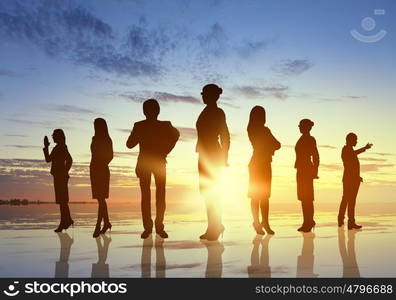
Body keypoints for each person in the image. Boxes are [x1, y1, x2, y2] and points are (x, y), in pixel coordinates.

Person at [126, 99, 180, 239]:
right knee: (154, 196)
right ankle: (153, 227)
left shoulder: (144, 126)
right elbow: (130, 145)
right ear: (158, 111)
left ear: (144, 111)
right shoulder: (150, 126)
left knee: (152, 196)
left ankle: (154, 227)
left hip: (154, 163)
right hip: (151, 163)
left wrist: (165, 151)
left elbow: (129, 144)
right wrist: (165, 150)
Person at [196, 84, 230, 241]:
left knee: (213, 193)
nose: (202, 96)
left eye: (204, 94)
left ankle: (215, 227)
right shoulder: (206, 111)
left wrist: (224, 157)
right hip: (204, 155)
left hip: (213, 155)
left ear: (211, 96)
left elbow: (225, 135)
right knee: (207, 193)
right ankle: (213, 226)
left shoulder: (217, 112)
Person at [247, 106, 281, 235]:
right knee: (259, 195)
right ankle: (260, 223)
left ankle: (262, 223)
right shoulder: (263, 130)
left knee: (261, 196)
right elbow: (276, 144)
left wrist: (269, 146)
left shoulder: (252, 129)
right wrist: (270, 146)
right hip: (260, 164)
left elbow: (277, 144)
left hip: (260, 163)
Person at [338, 133, 372, 230]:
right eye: (355, 140)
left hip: (353, 179)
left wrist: (357, 177)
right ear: (350, 140)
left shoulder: (349, 150)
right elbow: (350, 166)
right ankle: (343, 220)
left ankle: (349, 222)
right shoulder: (346, 150)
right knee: (347, 200)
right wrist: (364, 148)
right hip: (350, 180)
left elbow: (352, 161)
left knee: (350, 201)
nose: (356, 141)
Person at [43, 129, 73, 232]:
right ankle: (67, 220)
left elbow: (70, 160)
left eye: (54, 135)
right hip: (57, 176)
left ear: (59, 136)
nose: (52, 136)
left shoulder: (62, 147)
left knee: (62, 201)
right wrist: (46, 147)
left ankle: (65, 222)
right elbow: (48, 159)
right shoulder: (56, 148)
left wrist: (65, 171)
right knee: (62, 201)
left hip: (61, 177)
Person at [90, 118, 114, 238]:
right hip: (94, 170)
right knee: (100, 198)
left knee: (101, 198)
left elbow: (110, 156)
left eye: (96, 125)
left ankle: (99, 224)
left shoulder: (107, 140)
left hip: (102, 170)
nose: (94, 127)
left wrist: (102, 163)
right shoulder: (94, 139)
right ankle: (107, 223)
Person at [294, 119, 319, 232]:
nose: (299, 127)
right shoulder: (303, 138)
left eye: (300, 126)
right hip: (301, 169)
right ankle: (307, 221)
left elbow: (315, 156)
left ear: (306, 127)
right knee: (304, 198)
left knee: (307, 198)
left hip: (306, 170)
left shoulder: (310, 139)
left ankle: (308, 222)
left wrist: (314, 171)